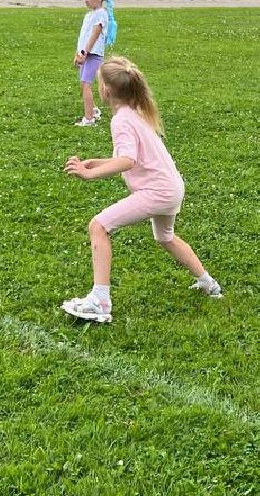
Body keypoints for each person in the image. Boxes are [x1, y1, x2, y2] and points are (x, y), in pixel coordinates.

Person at [61, 55, 221, 323]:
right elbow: (130, 157)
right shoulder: (134, 114)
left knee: (98, 226)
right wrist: (96, 162)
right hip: (171, 188)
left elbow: (128, 160)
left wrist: (90, 174)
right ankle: (208, 283)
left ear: (106, 90)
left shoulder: (122, 121)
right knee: (165, 237)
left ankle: (100, 301)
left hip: (157, 191)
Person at [73, 0, 117, 126]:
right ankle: (93, 110)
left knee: (86, 84)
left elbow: (94, 35)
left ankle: (89, 119)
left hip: (93, 55)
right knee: (83, 83)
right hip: (84, 54)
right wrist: (78, 53)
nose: (85, 1)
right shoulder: (89, 15)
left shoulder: (101, 15)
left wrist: (84, 53)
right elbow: (83, 36)